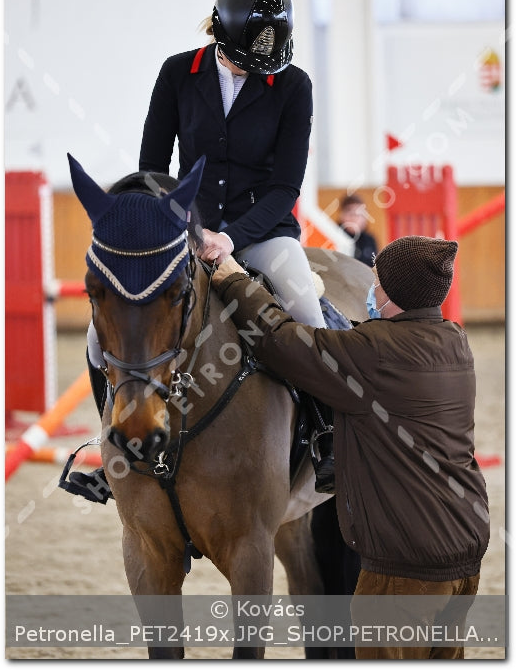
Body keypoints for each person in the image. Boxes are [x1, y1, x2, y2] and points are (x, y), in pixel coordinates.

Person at [64, 0, 335, 502]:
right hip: (183, 230)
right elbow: (151, 168)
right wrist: (173, 229)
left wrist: (231, 238)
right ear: (220, 33)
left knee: (306, 310)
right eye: (246, 59)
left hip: (262, 232)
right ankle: (113, 449)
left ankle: (329, 438)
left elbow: (286, 187)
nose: (255, 69)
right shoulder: (177, 73)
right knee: (99, 338)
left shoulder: (294, 85)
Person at [210, 235, 490, 660]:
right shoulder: (454, 341)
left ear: (395, 295)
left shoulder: (373, 354)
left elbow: (278, 339)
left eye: (376, 283)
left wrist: (233, 280)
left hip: (403, 566)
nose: (371, 291)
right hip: (464, 549)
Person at [338, 193, 378, 267]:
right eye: (351, 214)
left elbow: (375, 266)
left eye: (359, 214)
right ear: (342, 216)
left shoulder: (370, 240)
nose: (354, 219)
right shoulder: (334, 237)